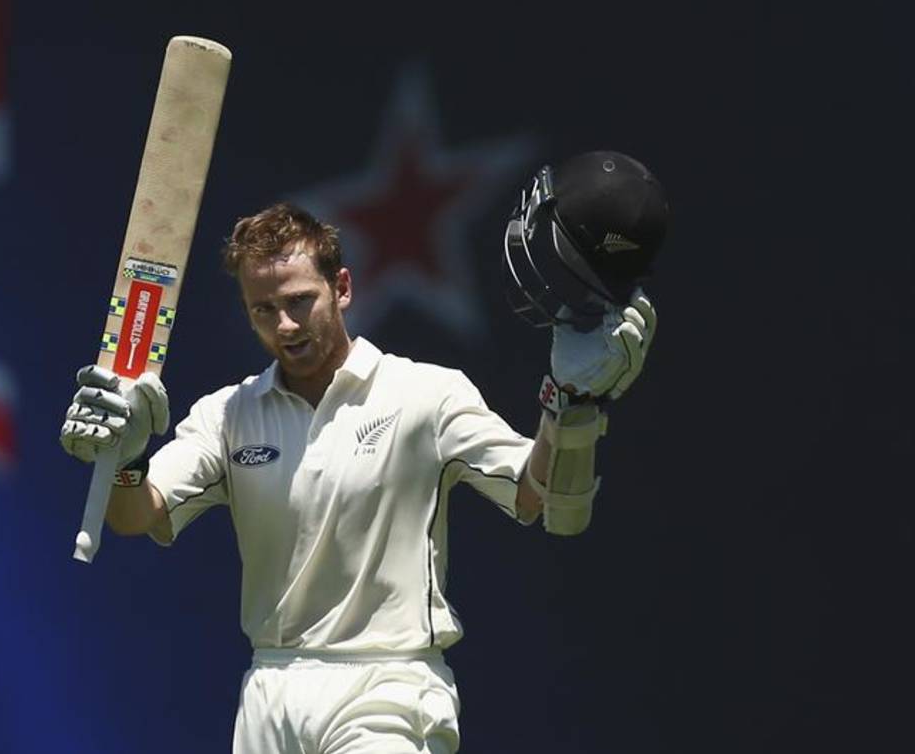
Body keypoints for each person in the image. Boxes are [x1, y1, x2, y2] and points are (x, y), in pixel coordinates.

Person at [61, 151, 668, 753]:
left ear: (342, 287)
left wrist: (570, 404)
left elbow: (541, 499)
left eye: (300, 301)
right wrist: (130, 458)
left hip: (389, 689)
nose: (286, 326)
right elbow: (137, 514)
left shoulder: (426, 394)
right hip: (269, 692)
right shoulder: (228, 414)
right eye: (263, 310)